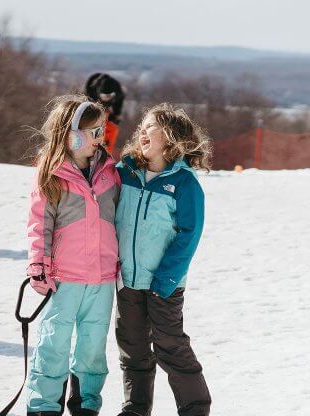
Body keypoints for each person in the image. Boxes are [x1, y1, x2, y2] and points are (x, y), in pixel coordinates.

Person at [114, 103, 213, 416]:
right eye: (141, 126)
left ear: (171, 137)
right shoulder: (124, 172)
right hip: (127, 280)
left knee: (171, 347)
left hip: (163, 284)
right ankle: (135, 408)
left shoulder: (184, 184)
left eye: (150, 126)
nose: (142, 131)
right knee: (132, 349)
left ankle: (195, 409)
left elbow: (188, 235)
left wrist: (167, 279)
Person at [25, 95, 121, 416]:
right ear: (70, 134)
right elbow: (39, 224)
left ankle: (86, 404)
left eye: (101, 133)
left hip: (102, 279)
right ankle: (44, 406)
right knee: (54, 343)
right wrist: (39, 264)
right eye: (93, 133)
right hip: (64, 278)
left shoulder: (109, 172)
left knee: (93, 347)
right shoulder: (52, 175)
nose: (99, 140)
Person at [85, 73, 125, 154]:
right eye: (105, 96)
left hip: (108, 109)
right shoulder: (91, 92)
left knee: (112, 126)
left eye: (109, 96)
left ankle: (106, 153)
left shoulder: (119, 93)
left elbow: (118, 109)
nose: (107, 99)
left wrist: (115, 117)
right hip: (93, 104)